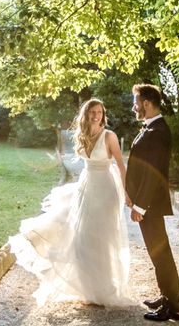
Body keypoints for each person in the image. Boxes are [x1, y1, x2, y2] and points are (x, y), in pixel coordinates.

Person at [8, 98, 134, 307]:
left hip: (106, 188)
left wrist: (127, 192)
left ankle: (106, 290)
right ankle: (89, 290)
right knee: (82, 237)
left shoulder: (109, 136)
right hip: (86, 186)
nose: (96, 115)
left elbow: (121, 165)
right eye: (92, 112)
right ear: (86, 114)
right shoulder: (82, 135)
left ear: (103, 115)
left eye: (100, 112)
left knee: (103, 237)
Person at [126, 84, 179, 321]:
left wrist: (140, 206)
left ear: (146, 103)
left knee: (161, 253)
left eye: (136, 102)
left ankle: (174, 306)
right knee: (157, 252)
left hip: (149, 205)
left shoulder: (158, 132)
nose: (134, 106)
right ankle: (166, 296)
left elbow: (152, 174)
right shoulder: (152, 128)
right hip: (146, 203)